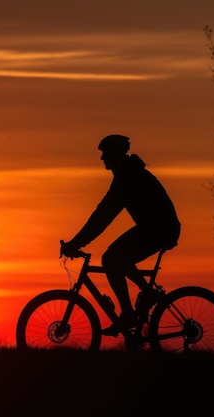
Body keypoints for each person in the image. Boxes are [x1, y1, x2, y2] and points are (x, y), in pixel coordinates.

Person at [60, 134, 181, 336]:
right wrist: (78, 242)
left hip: (159, 229)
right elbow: (102, 214)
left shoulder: (128, 178)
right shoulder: (128, 174)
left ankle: (128, 314)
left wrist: (76, 243)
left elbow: (103, 216)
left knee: (111, 258)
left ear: (115, 155)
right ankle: (146, 295)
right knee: (116, 258)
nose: (102, 159)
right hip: (156, 228)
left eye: (105, 154)